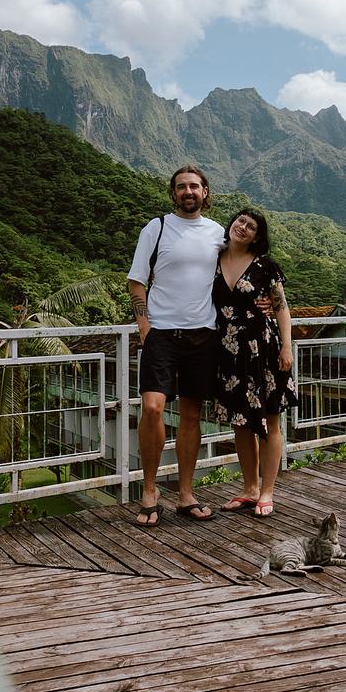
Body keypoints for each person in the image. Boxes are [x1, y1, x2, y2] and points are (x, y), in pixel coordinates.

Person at [126, 165, 225, 527]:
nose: (189, 191)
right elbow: (136, 281)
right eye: (182, 186)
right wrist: (145, 327)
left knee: (191, 415)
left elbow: (236, 273)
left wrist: (266, 300)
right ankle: (149, 490)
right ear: (173, 194)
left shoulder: (218, 233)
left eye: (195, 186)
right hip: (162, 334)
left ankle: (185, 494)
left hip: (203, 334)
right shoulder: (158, 227)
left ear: (205, 192)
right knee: (152, 408)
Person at [212, 208, 298, 518]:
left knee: (271, 421)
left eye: (251, 227)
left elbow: (282, 309)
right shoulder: (214, 260)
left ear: (257, 236)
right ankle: (249, 488)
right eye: (240, 222)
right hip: (229, 351)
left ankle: (267, 491)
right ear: (231, 224)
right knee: (241, 422)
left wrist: (286, 348)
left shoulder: (265, 268)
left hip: (263, 349)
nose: (243, 228)